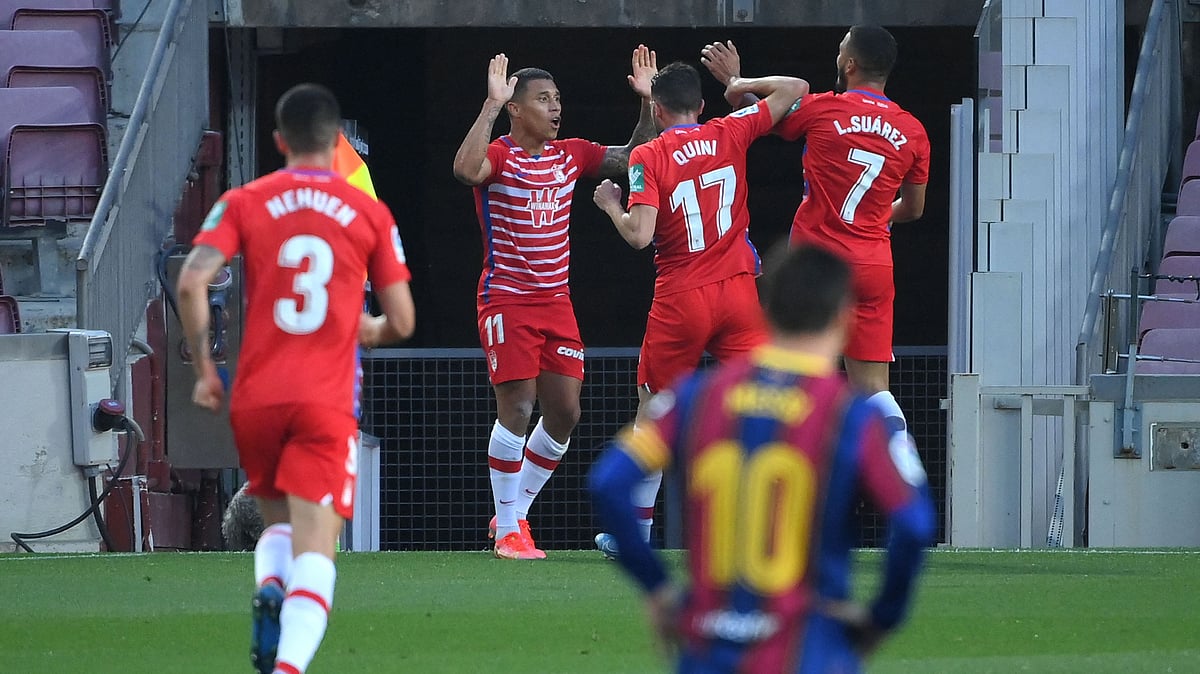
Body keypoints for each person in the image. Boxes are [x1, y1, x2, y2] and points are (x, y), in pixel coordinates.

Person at [588, 244, 935, 673]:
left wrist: (657, 588)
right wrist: (882, 617)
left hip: (706, 652)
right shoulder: (851, 415)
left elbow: (608, 482)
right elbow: (915, 523)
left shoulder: (692, 397)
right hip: (809, 652)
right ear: (845, 316)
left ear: (764, 310)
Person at [177, 83, 416, 674]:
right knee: (319, 546)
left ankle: (268, 591)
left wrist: (206, 371)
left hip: (255, 398)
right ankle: (288, 667)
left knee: (279, 527)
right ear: (336, 142)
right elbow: (403, 321)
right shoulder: (369, 211)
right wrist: (367, 331)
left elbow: (191, 281)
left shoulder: (243, 200)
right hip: (324, 397)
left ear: (280, 140)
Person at [590, 62, 809, 558]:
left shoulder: (649, 154)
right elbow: (795, 86)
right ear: (702, 105)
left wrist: (609, 205)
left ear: (658, 109)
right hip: (737, 290)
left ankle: (635, 539)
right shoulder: (729, 129)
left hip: (681, 295)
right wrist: (741, 84)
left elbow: (639, 236)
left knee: (654, 407)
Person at [452, 46, 658, 559]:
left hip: (556, 304)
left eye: (557, 99)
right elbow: (464, 169)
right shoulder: (500, 154)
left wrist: (648, 104)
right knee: (518, 406)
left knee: (564, 413)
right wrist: (489, 105)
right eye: (543, 99)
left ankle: (513, 513)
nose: (555, 107)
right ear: (517, 108)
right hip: (507, 300)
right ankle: (508, 531)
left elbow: (636, 155)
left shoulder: (573, 153)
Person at [701, 27, 930, 438]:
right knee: (874, 388)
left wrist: (736, 82)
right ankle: (899, 458)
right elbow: (914, 209)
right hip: (874, 265)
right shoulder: (912, 130)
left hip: (817, 267)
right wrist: (879, 217)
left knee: (799, 377)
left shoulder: (827, 108)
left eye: (841, 50)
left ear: (850, 64)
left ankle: (794, 472)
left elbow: (762, 116)